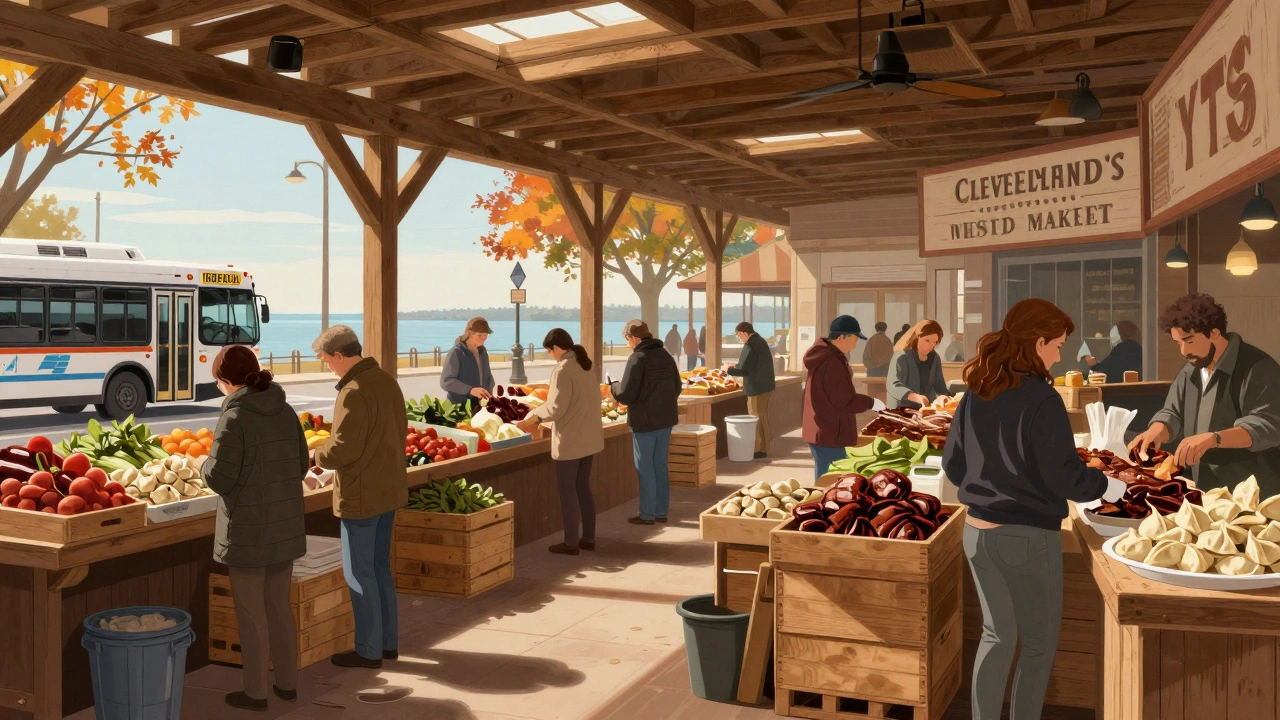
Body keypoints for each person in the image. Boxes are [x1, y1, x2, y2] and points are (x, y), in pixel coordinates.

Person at [944, 299, 1125, 720]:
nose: (1062, 354)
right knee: (1038, 644)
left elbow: (953, 466)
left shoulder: (975, 393)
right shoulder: (1043, 399)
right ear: (1038, 342)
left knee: (996, 637)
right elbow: (1065, 477)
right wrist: (1110, 486)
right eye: (1059, 344)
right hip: (1026, 538)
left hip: (976, 534)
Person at [202, 346, 308, 712]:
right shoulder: (286, 410)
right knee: (279, 607)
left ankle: (256, 693)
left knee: (251, 614)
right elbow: (301, 465)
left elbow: (219, 476)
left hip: (247, 531)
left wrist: (202, 464)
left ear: (225, 380)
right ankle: (288, 685)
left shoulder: (235, 417)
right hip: (285, 528)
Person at [311, 326, 407, 669]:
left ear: (339, 356)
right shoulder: (385, 381)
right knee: (380, 568)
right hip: (388, 489)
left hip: (362, 493)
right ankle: (388, 643)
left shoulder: (353, 391)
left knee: (358, 573)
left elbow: (342, 450)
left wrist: (317, 454)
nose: (326, 367)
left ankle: (368, 651)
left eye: (326, 360)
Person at [1129, 294, 1280, 496]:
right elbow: (1173, 412)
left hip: (1253, 494)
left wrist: (1213, 439)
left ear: (1215, 332)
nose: (1183, 351)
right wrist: (1156, 431)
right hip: (1202, 488)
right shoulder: (1189, 370)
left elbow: (1267, 426)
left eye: (1189, 341)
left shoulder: (1258, 367)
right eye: (1178, 343)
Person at [517, 329, 604, 555]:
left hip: (571, 440)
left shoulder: (563, 370)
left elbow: (556, 407)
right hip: (590, 437)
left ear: (556, 348)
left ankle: (571, 543)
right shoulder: (587, 365)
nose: (550, 356)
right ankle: (589, 538)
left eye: (549, 352)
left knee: (567, 491)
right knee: (583, 488)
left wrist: (532, 418)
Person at [611, 320, 682, 525]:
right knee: (660, 465)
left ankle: (647, 514)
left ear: (633, 338)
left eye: (627, 340)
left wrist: (613, 386)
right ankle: (661, 512)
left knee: (644, 467)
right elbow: (677, 387)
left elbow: (625, 395)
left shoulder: (637, 359)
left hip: (644, 422)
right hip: (666, 420)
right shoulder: (666, 355)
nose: (627, 344)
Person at [802, 316, 885, 481]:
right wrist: (872, 403)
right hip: (830, 432)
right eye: (854, 339)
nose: (855, 345)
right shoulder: (831, 362)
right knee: (831, 482)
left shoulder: (824, 357)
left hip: (822, 428)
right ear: (842, 337)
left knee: (827, 478)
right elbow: (845, 401)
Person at [726, 321, 776, 459]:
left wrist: (729, 369)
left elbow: (744, 369)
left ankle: (759, 449)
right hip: (765, 386)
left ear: (743, 333)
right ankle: (764, 447)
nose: (739, 338)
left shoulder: (750, 345)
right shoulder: (760, 341)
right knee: (762, 416)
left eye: (738, 336)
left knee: (756, 417)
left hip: (756, 387)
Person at [887, 319, 952, 409]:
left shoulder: (934, 357)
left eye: (934, 342)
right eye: (927, 340)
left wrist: (944, 397)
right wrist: (915, 397)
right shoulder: (902, 357)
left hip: (927, 409)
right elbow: (893, 385)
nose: (931, 346)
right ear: (917, 337)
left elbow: (939, 385)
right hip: (902, 409)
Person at [441, 317, 495, 410]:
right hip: (458, 407)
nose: (484, 338)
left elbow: (488, 377)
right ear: (470, 334)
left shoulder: (483, 351)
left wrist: (489, 395)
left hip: (480, 407)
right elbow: (446, 382)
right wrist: (470, 390)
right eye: (480, 335)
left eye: (486, 335)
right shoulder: (456, 352)